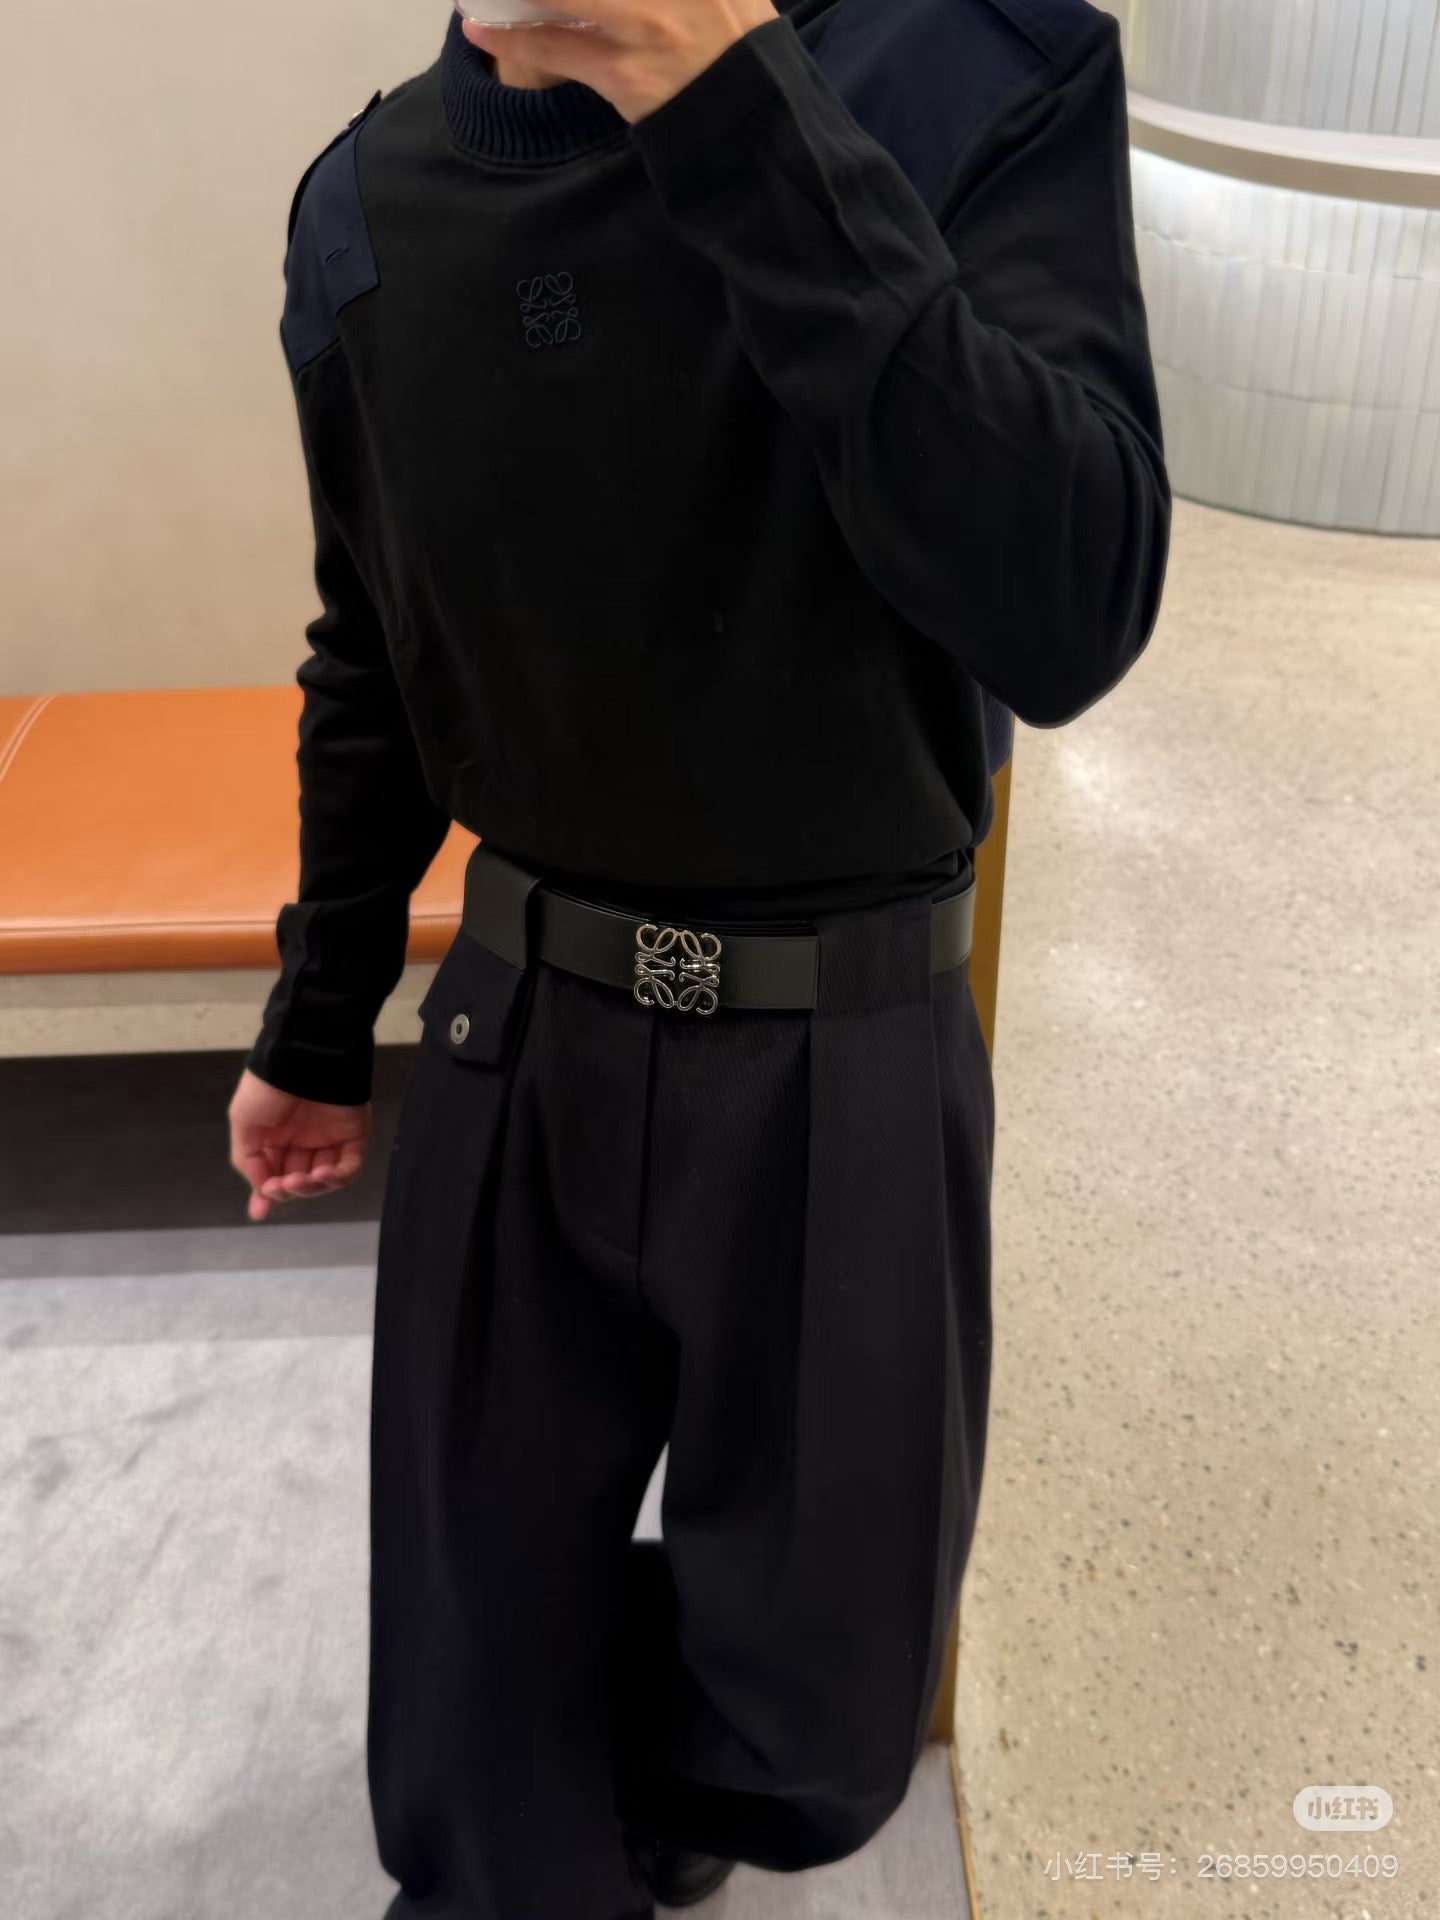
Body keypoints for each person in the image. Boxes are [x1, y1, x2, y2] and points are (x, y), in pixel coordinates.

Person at [228, 1, 1170, 1915]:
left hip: (844, 1048)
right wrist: (316, 1023)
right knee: (473, 1729)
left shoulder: (980, 71)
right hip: (519, 1031)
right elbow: (373, 658)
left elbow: (1071, 605)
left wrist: (734, 111)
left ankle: (634, 1799)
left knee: (818, 1731)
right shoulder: (360, 209)